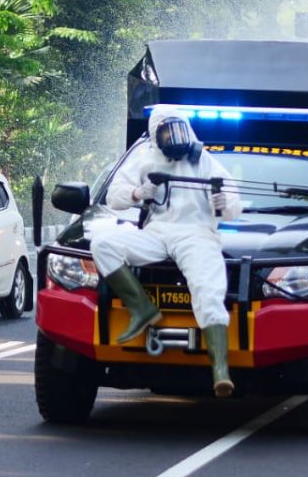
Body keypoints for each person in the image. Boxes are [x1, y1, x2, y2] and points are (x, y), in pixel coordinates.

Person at [92, 105, 243, 397]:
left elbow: (234, 201)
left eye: (177, 128)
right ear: (154, 134)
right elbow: (114, 196)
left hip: (196, 234)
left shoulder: (204, 160)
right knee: (103, 244)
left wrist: (224, 202)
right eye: (166, 130)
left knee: (208, 289)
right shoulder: (142, 158)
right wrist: (137, 193)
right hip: (157, 234)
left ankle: (220, 370)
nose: (173, 136)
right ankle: (142, 309)